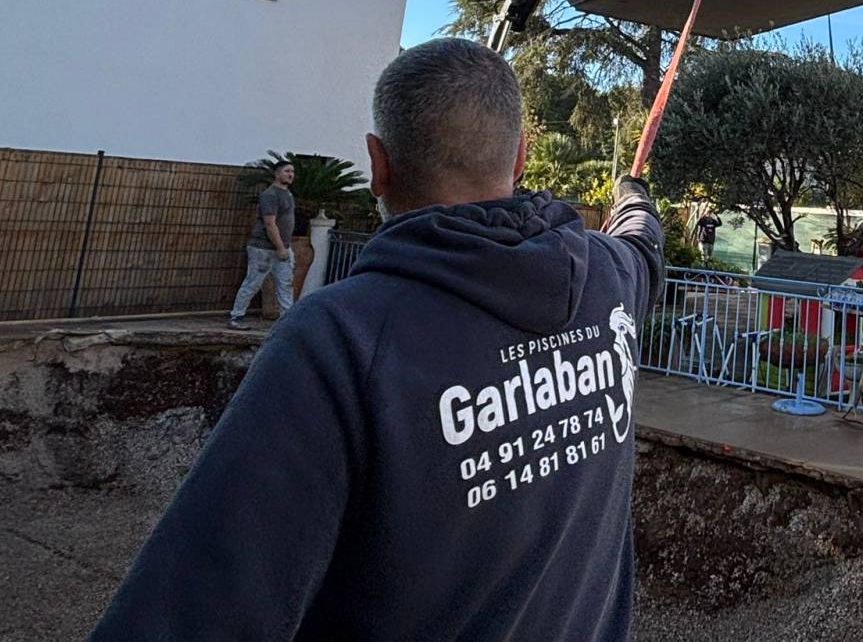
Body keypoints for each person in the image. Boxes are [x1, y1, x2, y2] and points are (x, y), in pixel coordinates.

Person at [89, 38, 664, 641]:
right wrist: (633, 194)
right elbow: (642, 241)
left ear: (377, 163)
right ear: (521, 156)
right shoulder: (608, 278)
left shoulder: (339, 340)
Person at [228, 158, 296, 328]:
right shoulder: (270, 195)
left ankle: (287, 321)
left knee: (286, 285)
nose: (290, 175)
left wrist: (284, 247)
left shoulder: (287, 194)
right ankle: (236, 317)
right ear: (277, 174)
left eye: (292, 172)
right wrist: (280, 247)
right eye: (287, 171)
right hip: (263, 249)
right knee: (253, 283)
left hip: (283, 248)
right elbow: (269, 223)